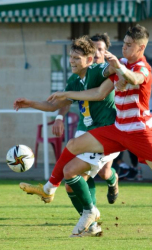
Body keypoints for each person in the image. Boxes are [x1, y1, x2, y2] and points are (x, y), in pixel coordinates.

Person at [47, 24, 152, 240]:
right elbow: (99, 91)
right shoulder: (121, 63)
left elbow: (135, 79)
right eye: (123, 44)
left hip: (141, 133)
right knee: (73, 145)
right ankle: (51, 188)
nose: (124, 48)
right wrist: (66, 94)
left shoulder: (144, 68)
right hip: (117, 130)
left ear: (141, 47)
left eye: (129, 45)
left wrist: (120, 68)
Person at [14, 35, 120, 237]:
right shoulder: (74, 79)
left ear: (89, 60)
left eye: (77, 58)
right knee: (72, 186)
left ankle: (81, 207)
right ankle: (91, 224)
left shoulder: (97, 70)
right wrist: (31, 103)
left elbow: (111, 70)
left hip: (107, 135)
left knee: (74, 172)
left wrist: (116, 63)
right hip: (89, 135)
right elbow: (56, 104)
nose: (72, 60)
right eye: (71, 57)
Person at [49, 33, 120, 205]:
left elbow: (99, 92)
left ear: (106, 52)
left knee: (104, 172)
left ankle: (113, 181)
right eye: (93, 49)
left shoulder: (106, 73)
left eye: (100, 49)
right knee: (83, 172)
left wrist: (120, 65)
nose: (96, 53)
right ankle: (91, 211)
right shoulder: (78, 75)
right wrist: (59, 117)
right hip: (85, 128)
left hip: (108, 129)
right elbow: (68, 98)